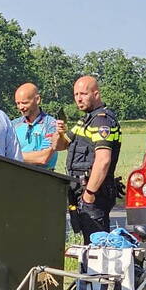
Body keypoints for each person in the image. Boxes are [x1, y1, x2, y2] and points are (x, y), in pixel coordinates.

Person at [55, 75, 122, 242]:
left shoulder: (101, 121)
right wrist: (60, 131)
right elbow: (60, 146)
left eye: (83, 94)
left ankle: (96, 270)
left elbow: (103, 160)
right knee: (89, 243)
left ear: (96, 94)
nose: (78, 98)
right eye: (76, 94)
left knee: (97, 245)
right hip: (82, 192)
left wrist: (89, 194)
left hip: (95, 194)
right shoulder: (85, 120)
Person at [12, 83, 60, 169]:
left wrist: (13, 156)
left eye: (24, 103)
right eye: (18, 103)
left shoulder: (51, 124)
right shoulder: (13, 125)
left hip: (43, 177)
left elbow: (43, 157)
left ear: (37, 99)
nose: (21, 107)